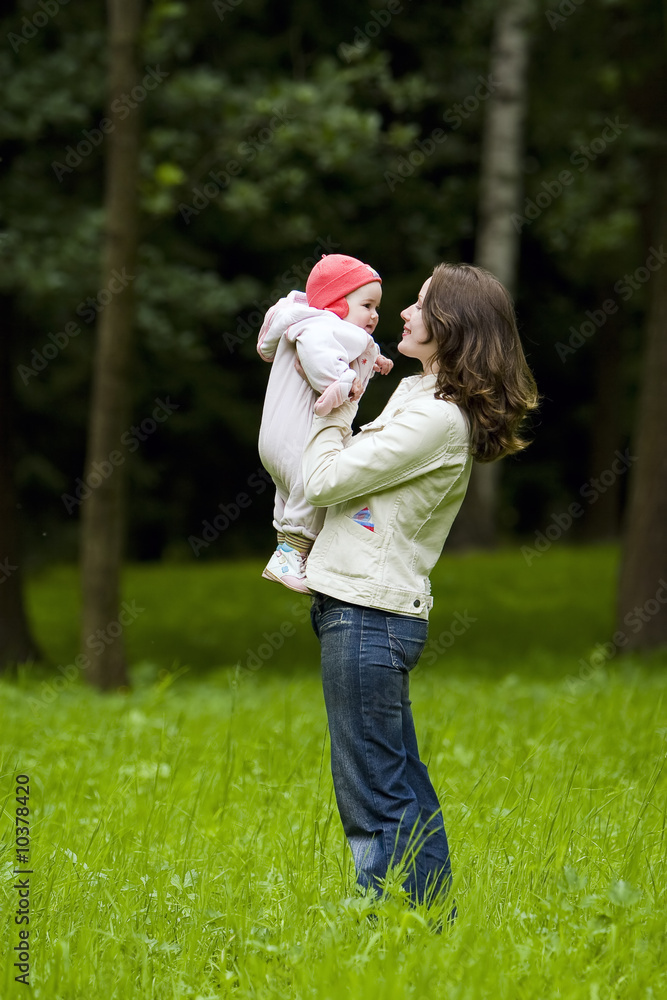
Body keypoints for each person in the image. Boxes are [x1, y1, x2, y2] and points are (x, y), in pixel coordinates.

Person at [302, 262, 539, 911]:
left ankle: (387, 921)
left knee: (372, 789)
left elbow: (323, 481)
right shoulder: (418, 394)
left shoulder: (436, 416)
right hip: (365, 610)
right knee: (398, 776)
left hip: (368, 614)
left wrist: (332, 403)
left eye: (420, 305)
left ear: (451, 326)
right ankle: (429, 917)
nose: (403, 312)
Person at [257, 254, 393, 594]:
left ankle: (289, 552)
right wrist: (342, 381)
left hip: (274, 439)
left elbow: (347, 346)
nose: (375, 315)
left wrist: (373, 358)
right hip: (299, 439)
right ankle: (289, 559)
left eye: (376, 307)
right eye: (367, 305)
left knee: (289, 494)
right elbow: (321, 354)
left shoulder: (307, 322)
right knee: (315, 491)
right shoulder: (322, 327)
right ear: (337, 304)